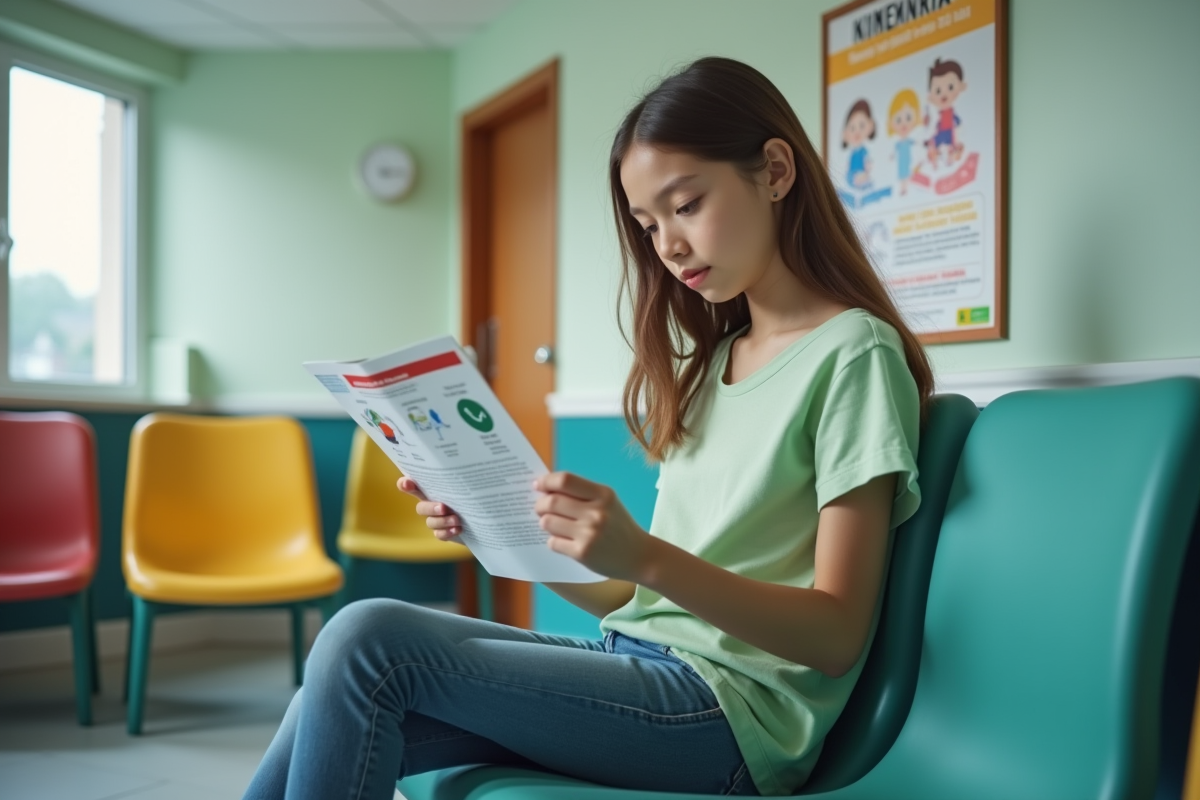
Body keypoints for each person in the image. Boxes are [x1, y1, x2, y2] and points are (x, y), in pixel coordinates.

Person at [243, 56, 931, 800]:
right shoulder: (717, 361)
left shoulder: (854, 353)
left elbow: (835, 636)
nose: (666, 245)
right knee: (330, 683)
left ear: (773, 170)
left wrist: (647, 556)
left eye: (686, 204)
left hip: (728, 716)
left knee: (365, 637)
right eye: (648, 224)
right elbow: (638, 601)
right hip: (642, 666)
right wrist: (497, 528)